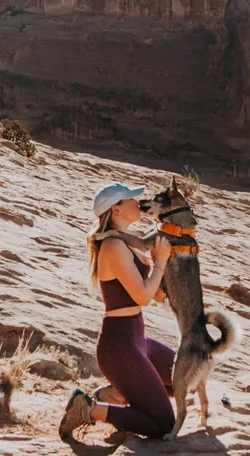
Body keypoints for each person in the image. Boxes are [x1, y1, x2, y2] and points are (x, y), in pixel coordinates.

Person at [59, 181, 174, 441]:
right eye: (130, 200)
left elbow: (156, 295)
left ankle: (119, 393)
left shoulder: (129, 245)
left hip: (138, 340)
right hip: (119, 347)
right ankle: (88, 409)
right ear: (116, 210)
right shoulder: (112, 247)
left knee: (183, 376)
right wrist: (162, 261)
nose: (137, 203)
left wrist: (163, 261)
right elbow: (143, 297)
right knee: (164, 425)